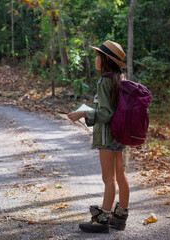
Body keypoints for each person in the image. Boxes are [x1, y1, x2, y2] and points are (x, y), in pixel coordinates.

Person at [67, 40, 130, 233]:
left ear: (105, 60)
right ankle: (120, 216)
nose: (95, 59)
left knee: (108, 178)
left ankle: (102, 219)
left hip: (107, 136)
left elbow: (106, 114)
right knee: (120, 175)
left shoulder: (105, 80)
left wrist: (83, 114)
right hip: (120, 134)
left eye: (97, 56)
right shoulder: (120, 77)